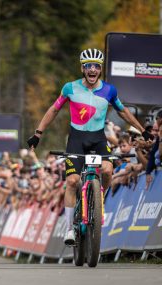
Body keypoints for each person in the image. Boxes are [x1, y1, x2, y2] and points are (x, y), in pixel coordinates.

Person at [26, 49, 152, 246]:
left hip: (98, 139)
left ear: (100, 69)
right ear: (82, 68)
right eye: (88, 66)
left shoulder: (109, 90)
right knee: (73, 181)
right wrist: (38, 134)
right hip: (76, 139)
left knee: (108, 170)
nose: (92, 69)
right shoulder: (70, 88)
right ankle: (69, 229)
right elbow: (53, 110)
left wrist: (142, 130)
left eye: (96, 66)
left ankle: (97, 200)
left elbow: (124, 112)